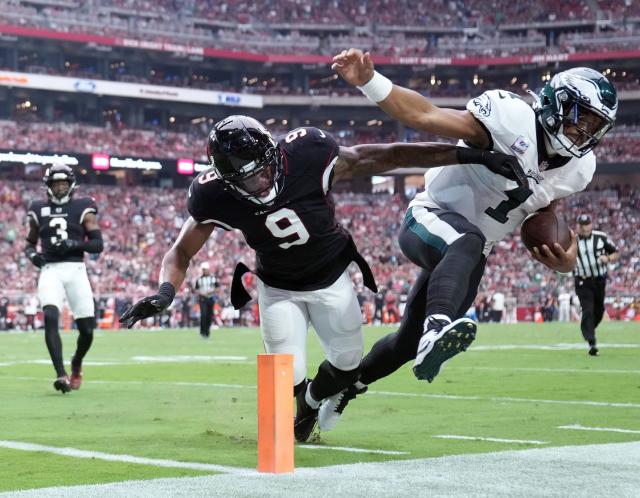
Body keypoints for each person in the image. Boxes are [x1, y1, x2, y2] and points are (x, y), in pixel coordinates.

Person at [119, 115, 518, 442]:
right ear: (226, 180)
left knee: (346, 367)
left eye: (263, 171)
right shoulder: (211, 195)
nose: (260, 183)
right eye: (247, 180)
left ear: (275, 153)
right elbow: (181, 251)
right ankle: (295, 411)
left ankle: (310, 404)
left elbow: (386, 155)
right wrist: (165, 291)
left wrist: (469, 156)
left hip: (331, 279)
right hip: (278, 289)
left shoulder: (308, 151)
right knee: (285, 374)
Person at [323, 48, 617, 430]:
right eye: (583, 120)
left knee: (405, 342)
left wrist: (564, 258)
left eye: (597, 127)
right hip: (429, 219)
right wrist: (369, 82)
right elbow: (426, 115)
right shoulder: (511, 119)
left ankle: (344, 387)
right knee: (467, 243)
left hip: (472, 252)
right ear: (558, 105)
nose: (586, 133)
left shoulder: (580, 169)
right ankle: (437, 329)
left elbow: (547, 212)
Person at [25, 164, 104, 393]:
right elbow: (29, 243)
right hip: (50, 270)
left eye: (64, 183)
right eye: (56, 184)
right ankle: (61, 375)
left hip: (76, 269)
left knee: (87, 330)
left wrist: (76, 244)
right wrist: (32, 256)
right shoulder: (37, 208)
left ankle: (76, 361)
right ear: (48, 186)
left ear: (71, 186)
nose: (60, 187)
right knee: (50, 316)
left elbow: (98, 244)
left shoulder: (84, 207)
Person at [573, 214, 620, 356]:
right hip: (582, 280)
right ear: (577, 226)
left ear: (591, 224)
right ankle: (591, 342)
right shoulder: (572, 241)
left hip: (599, 280)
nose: (584, 227)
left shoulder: (601, 237)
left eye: (586, 224)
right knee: (587, 309)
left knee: (599, 311)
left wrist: (608, 258)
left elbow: (615, 253)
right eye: (581, 224)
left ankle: (588, 329)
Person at [194, 261, 218, 338]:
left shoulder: (213, 278)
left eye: (205, 269)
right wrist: (202, 293)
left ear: (208, 269)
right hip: (202, 299)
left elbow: (217, 288)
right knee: (203, 315)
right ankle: (202, 332)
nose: (204, 271)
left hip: (211, 298)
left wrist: (211, 291)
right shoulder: (199, 279)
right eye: (203, 269)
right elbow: (196, 290)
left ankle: (207, 331)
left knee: (209, 315)